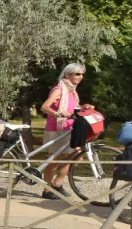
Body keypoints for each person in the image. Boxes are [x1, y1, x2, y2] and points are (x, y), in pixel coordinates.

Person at [40, 63, 94, 199]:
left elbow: (72, 110)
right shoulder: (58, 90)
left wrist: (83, 106)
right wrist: (58, 114)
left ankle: (57, 184)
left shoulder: (72, 92)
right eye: (77, 74)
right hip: (56, 129)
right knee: (54, 160)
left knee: (75, 157)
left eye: (82, 74)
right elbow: (44, 107)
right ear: (67, 75)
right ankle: (47, 190)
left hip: (69, 129)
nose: (81, 77)